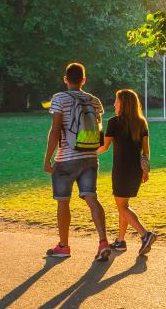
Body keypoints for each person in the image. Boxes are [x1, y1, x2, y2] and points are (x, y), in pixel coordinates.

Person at [44, 62, 111, 261]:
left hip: (66, 159)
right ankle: (103, 243)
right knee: (92, 198)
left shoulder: (59, 99)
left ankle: (63, 246)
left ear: (65, 79)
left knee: (63, 202)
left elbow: (56, 130)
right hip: (90, 157)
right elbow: (98, 128)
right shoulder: (94, 100)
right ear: (83, 80)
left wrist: (48, 158)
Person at [97, 88, 157, 256]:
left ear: (123, 103)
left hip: (121, 170)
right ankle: (120, 241)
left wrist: (87, 151)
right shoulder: (141, 122)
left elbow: (103, 147)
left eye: (116, 100)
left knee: (122, 208)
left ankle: (145, 234)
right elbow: (146, 151)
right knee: (124, 206)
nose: (114, 103)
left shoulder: (114, 122)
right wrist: (145, 170)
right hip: (136, 171)